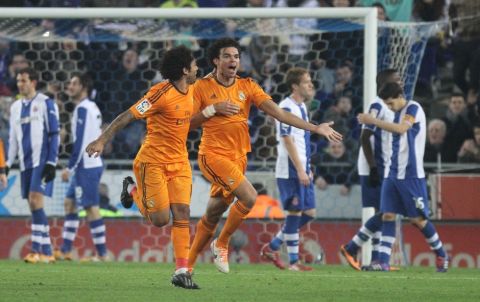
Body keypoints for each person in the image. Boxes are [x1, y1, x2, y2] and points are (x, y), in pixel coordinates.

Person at [186, 38, 342, 274]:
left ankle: (185, 267)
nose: (233, 61)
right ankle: (222, 242)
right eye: (227, 56)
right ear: (216, 61)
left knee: (213, 212)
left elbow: (279, 113)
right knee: (249, 197)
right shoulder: (201, 87)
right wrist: (212, 110)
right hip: (212, 155)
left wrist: (315, 127)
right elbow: (186, 123)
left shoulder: (247, 86)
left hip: (238, 158)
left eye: (236, 56)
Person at [85, 45, 235, 289]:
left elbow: (212, 78)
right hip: (152, 162)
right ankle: (133, 190)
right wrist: (101, 140)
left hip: (179, 162)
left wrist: (225, 64)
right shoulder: (159, 94)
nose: (198, 68)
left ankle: (182, 271)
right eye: (194, 64)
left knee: (183, 214)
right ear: (185, 70)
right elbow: (127, 116)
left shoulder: (194, 88)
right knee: (160, 220)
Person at [357, 82, 449, 272]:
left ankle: (441, 254)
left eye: (390, 103)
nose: (389, 108)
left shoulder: (412, 108)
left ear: (400, 96)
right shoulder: (397, 113)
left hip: (411, 175)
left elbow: (401, 129)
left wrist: (372, 121)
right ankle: (382, 261)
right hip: (392, 173)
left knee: (418, 220)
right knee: (388, 214)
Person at [339, 69, 399, 270]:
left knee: (384, 211)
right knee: (386, 210)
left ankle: (376, 260)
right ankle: (354, 247)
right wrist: (373, 168)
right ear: (385, 82)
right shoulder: (377, 104)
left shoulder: (389, 107)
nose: (400, 81)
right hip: (375, 165)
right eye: (396, 79)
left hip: (384, 164)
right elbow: (365, 136)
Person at [260, 67, 317, 271]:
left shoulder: (301, 108)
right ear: (295, 86)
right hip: (291, 169)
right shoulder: (286, 106)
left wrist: (307, 167)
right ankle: (294, 262)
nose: (310, 85)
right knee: (294, 212)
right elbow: (287, 139)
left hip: (302, 166)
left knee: (309, 212)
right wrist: (300, 169)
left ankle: (273, 246)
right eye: (306, 82)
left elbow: (302, 141)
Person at [6, 67, 59, 263]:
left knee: (35, 200)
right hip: (25, 163)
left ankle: (36, 251)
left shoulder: (46, 103)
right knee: (33, 204)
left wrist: (52, 162)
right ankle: (48, 252)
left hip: (42, 160)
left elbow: (54, 134)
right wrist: (7, 165)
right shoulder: (15, 108)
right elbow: (13, 140)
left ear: (33, 82)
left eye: (24, 80)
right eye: (18, 81)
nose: (20, 84)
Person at [54, 73, 106, 262]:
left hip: (87, 165)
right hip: (87, 164)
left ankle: (102, 254)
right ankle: (65, 250)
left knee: (91, 208)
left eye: (74, 83)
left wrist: (70, 167)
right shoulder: (91, 107)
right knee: (70, 203)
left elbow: (82, 142)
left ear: (83, 86)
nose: (70, 86)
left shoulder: (83, 109)